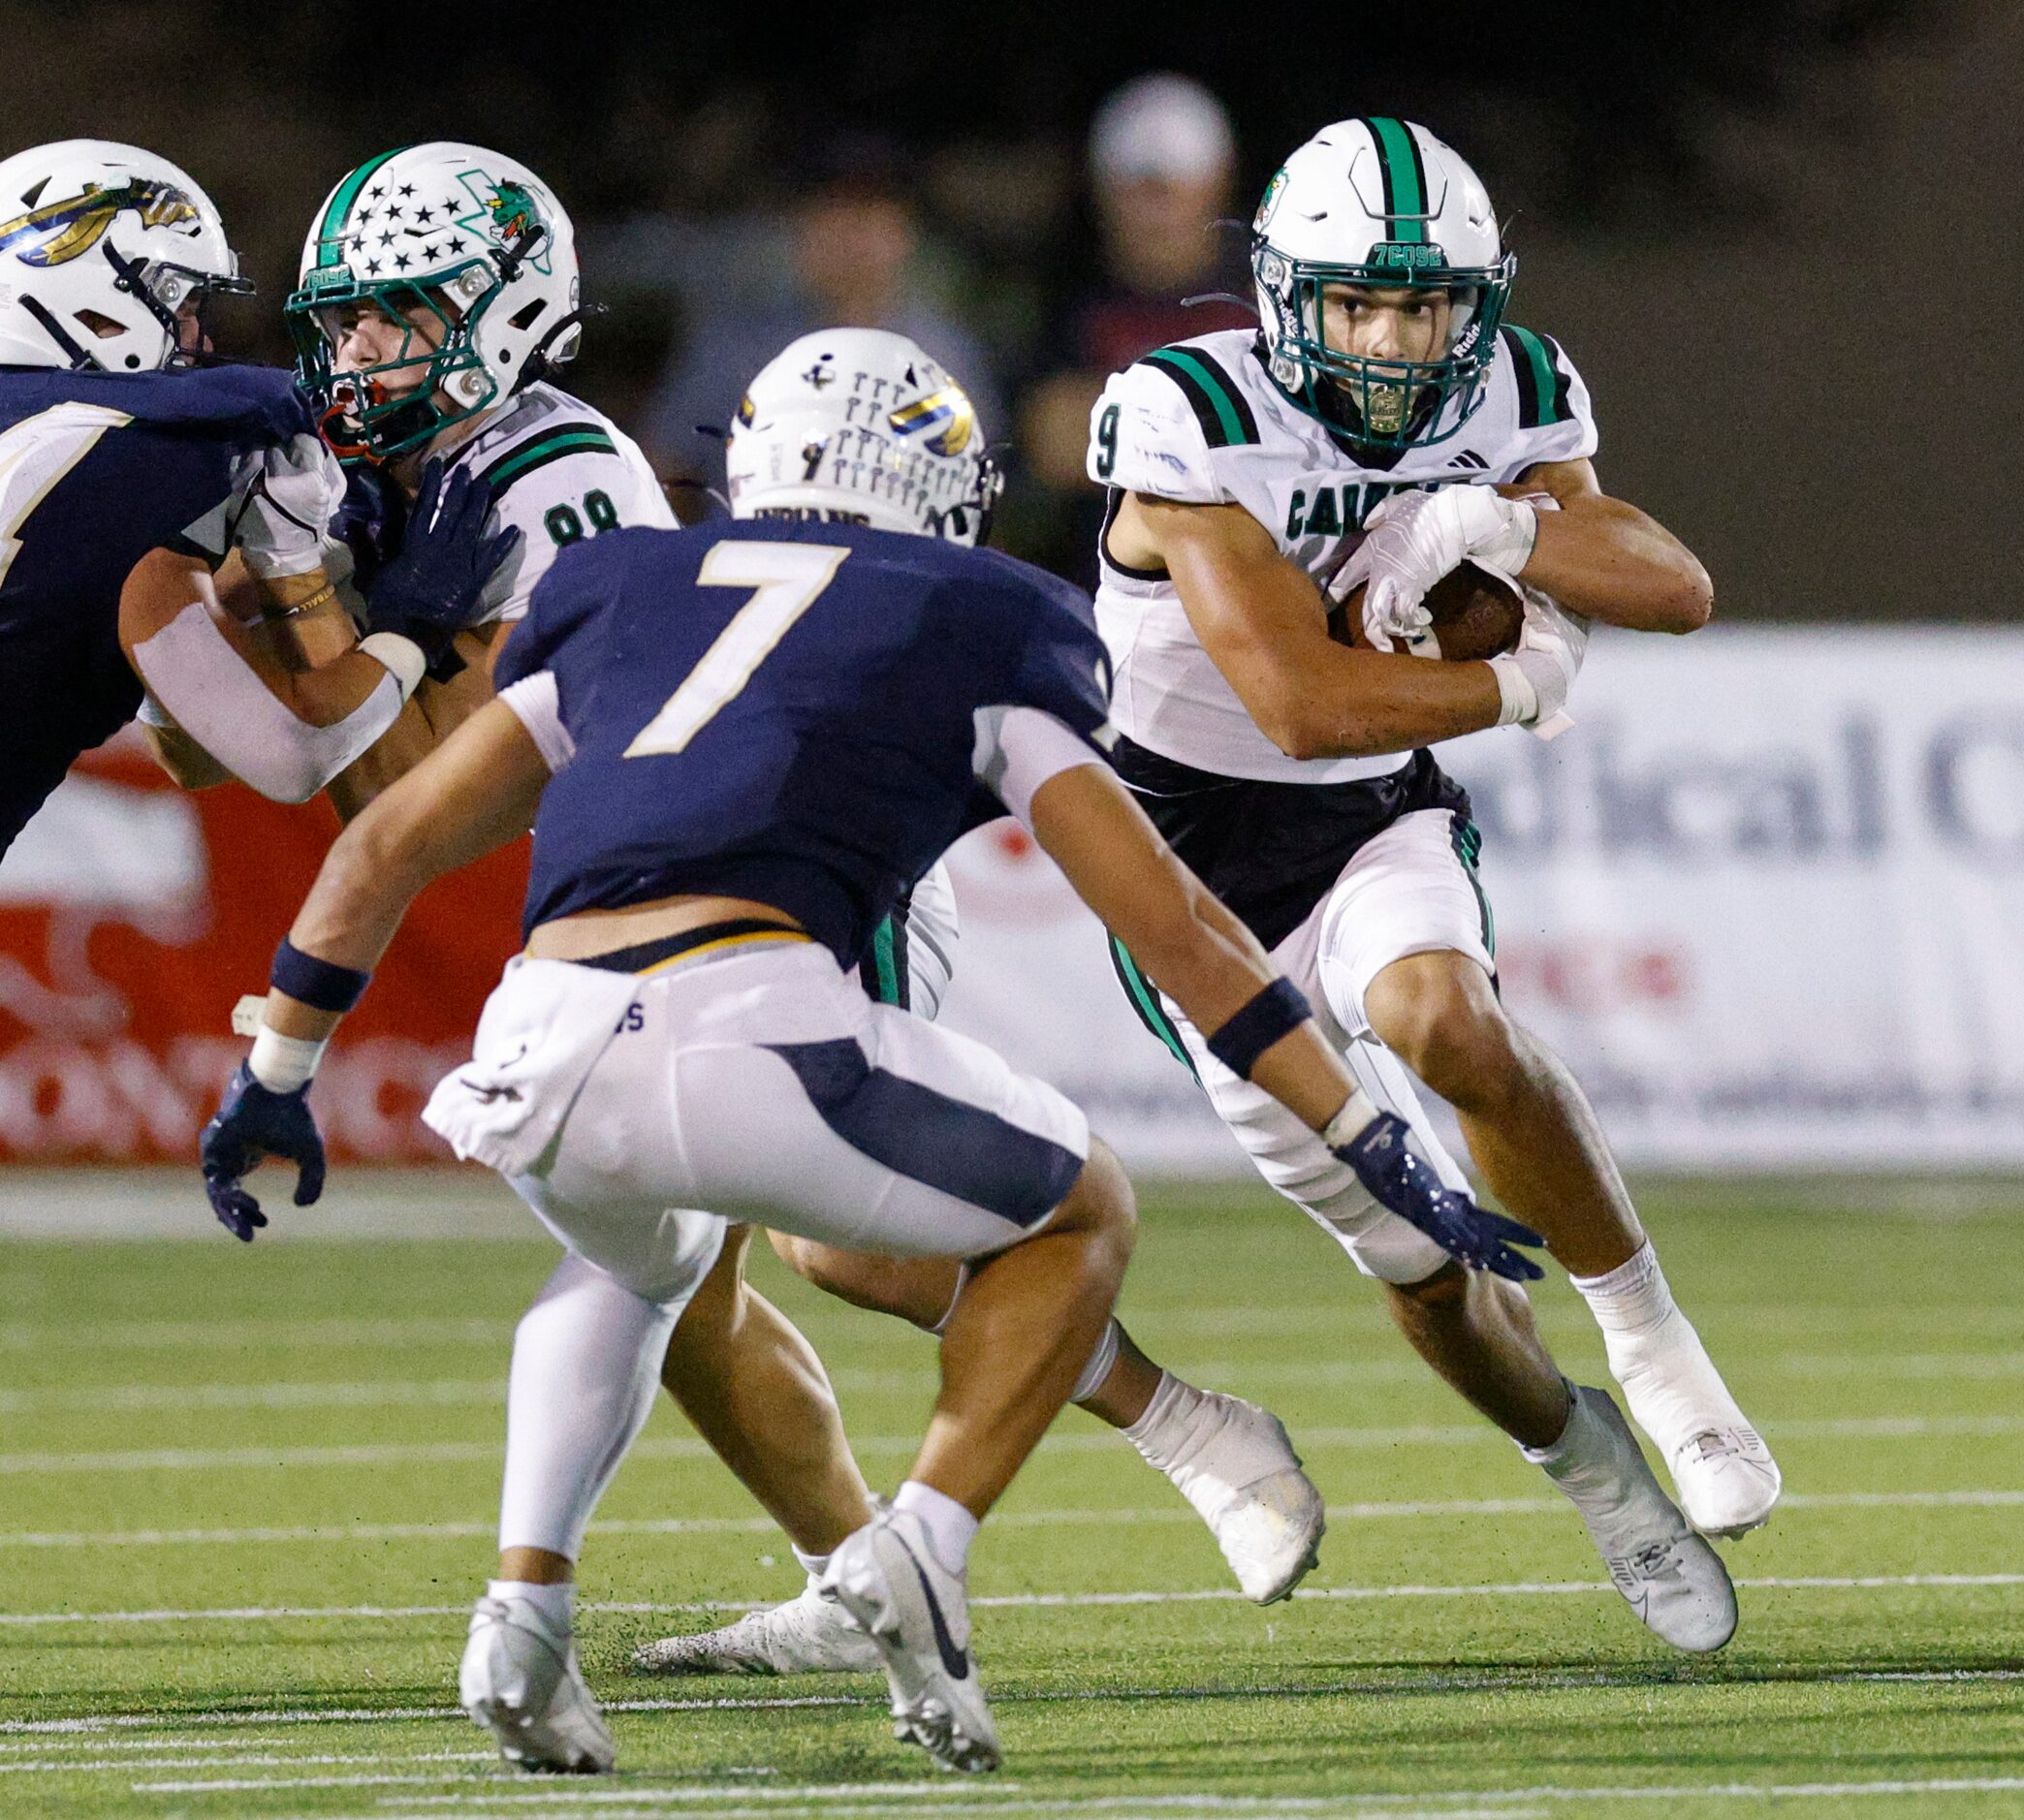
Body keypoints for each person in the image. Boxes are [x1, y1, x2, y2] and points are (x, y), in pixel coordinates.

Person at [194, 325, 1538, 1776]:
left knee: (638, 1270)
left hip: (540, 1035)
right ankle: (927, 1543)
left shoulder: (617, 582)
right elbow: (1183, 934)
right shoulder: (987, 609)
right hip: (746, 1010)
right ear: (941, 494)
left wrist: (273, 1072)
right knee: (1081, 1207)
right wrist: (1369, 1136)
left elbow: (388, 836)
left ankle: (522, 1612)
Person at [1079, 116, 1771, 1654]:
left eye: (1431, 305)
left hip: (1368, 817)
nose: (1398, 341)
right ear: (1283, 299)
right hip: (1185, 864)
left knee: (1450, 1023)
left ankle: (1655, 1340)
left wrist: (1506, 524)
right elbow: (1298, 704)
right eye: (1360, 305)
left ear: (1482, 299)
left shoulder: (1518, 383)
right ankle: (1592, 1466)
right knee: (1423, 1263)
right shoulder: (1188, 412)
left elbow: (1677, 588)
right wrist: (1516, 686)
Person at [0, 138, 489, 853]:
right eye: (184, 302)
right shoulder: (146, 456)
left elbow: (191, 746)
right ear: (93, 301)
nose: (197, 335)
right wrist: (412, 623)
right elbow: (290, 756)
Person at [644, 138, 997, 495]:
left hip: (892, 551)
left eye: (868, 212)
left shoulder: (945, 357)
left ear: (903, 232)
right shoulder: (736, 346)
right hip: (749, 546)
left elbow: (976, 498)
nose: (849, 235)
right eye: (830, 211)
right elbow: (665, 474)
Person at [1015, 74, 1251, 587]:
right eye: (1138, 191)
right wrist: (1226, 426)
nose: (1155, 214)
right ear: (1104, 194)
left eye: (1171, 189)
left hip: (1254, 585)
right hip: (1105, 593)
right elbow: (1052, 441)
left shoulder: (1262, 294)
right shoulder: (1072, 298)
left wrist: (1117, 422)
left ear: (1217, 186)